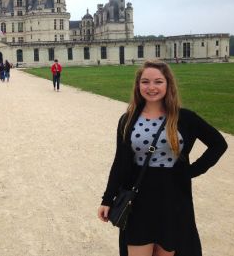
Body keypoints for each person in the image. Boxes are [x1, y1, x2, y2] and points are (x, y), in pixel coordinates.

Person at [97, 60, 227, 256]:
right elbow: (120, 163)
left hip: (172, 199)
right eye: (145, 82)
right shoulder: (128, 119)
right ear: (138, 85)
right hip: (138, 199)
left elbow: (218, 144)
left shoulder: (184, 118)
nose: (151, 87)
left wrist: (190, 171)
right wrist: (107, 199)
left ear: (168, 84)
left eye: (158, 82)